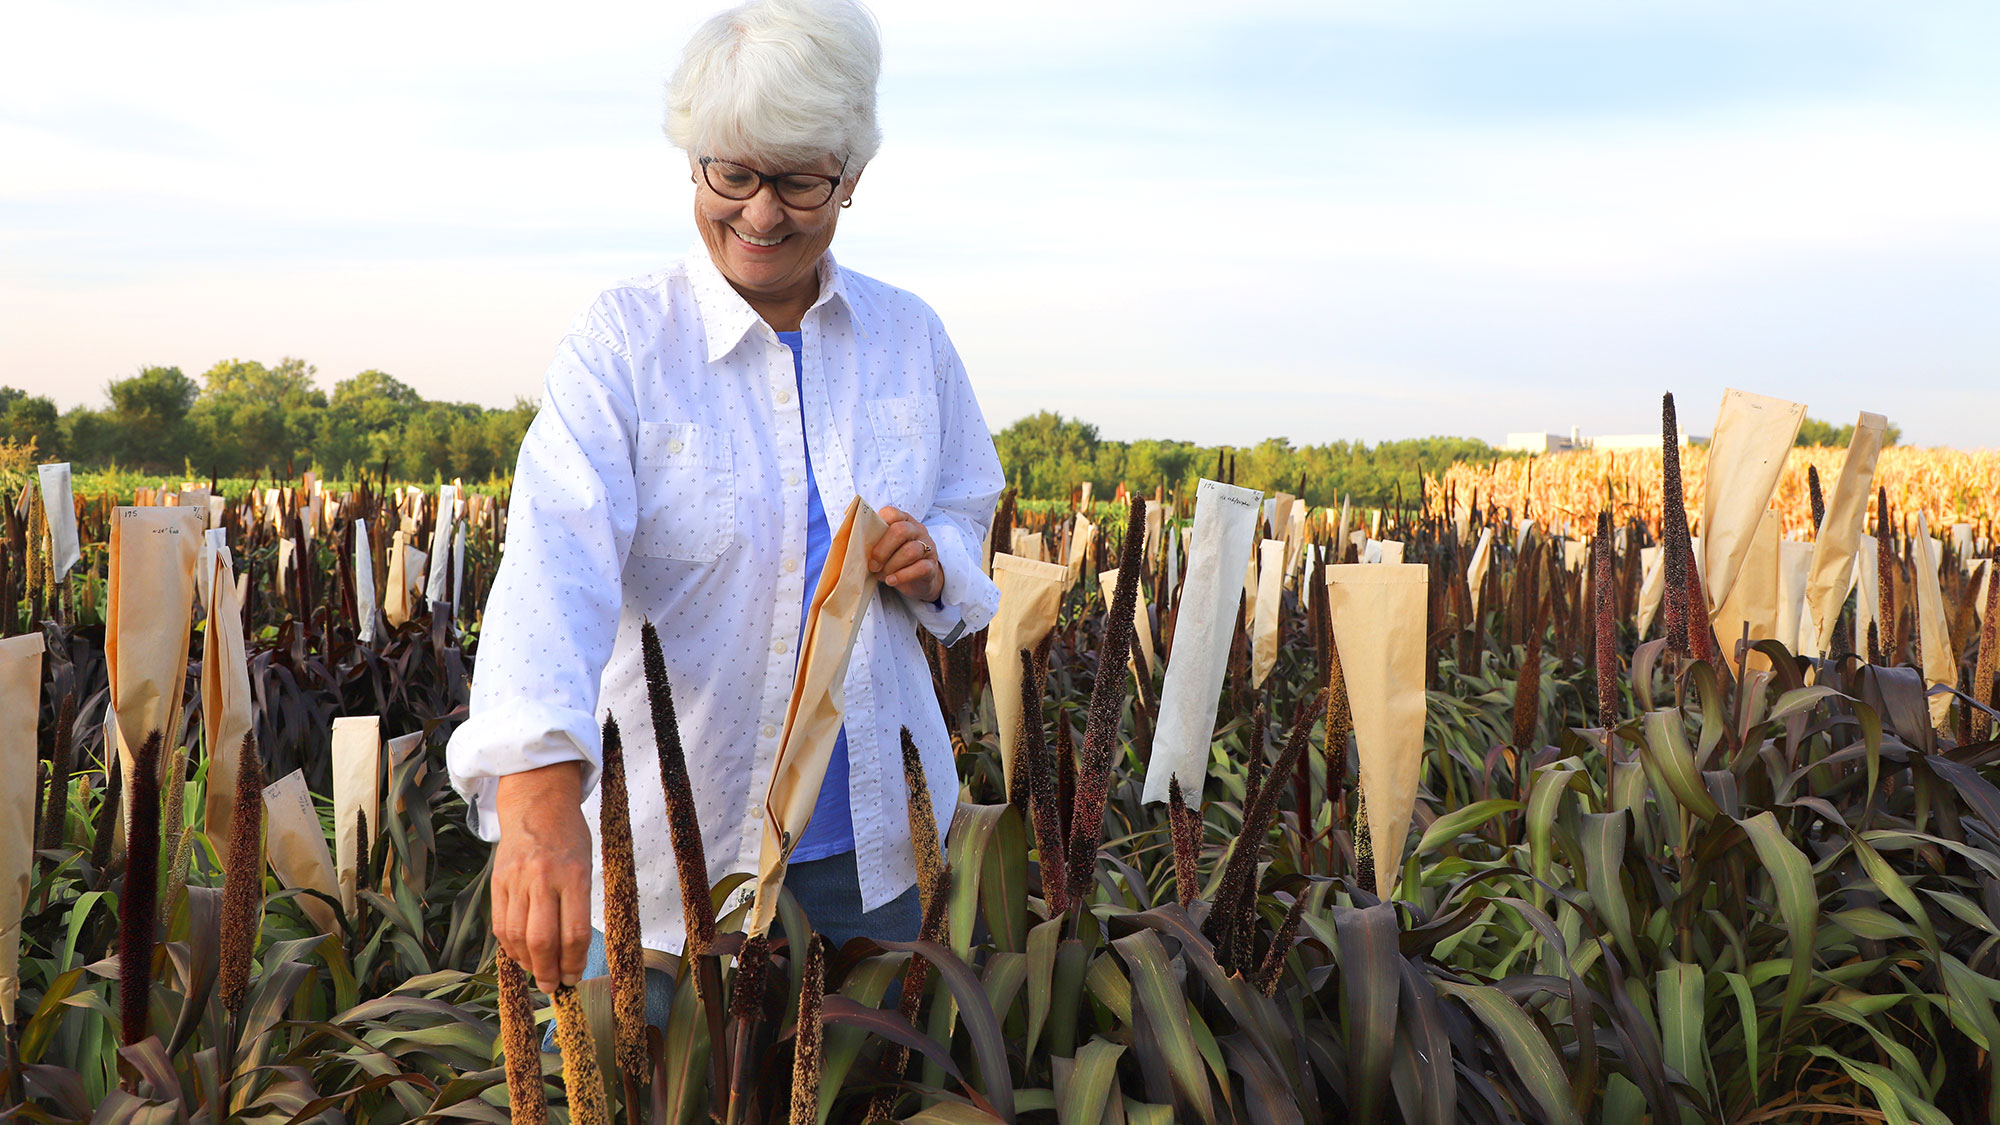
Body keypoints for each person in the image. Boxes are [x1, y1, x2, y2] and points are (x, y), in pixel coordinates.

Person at [445, 0, 1004, 1026]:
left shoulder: (908, 339)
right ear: (691, 163)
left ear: (852, 177)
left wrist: (941, 564)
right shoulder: (624, 344)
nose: (760, 212)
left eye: (799, 181)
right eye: (731, 174)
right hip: (669, 853)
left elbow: (970, 505)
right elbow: (553, 562)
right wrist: (534, 799)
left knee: (870, 1085)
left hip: (876, 844)